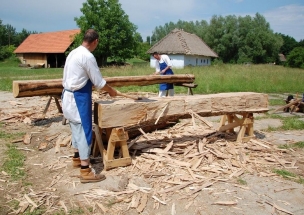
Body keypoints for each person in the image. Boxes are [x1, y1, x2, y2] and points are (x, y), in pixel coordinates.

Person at [62, 29, 117, 183]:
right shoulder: (87, 56)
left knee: (75, 129)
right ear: (95, 41)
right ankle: (86, 170)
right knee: (84, 131)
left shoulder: (73, 52)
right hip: (78, 99)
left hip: (67, 95)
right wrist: (111, 91)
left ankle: (77, 158)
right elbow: (99, 83)